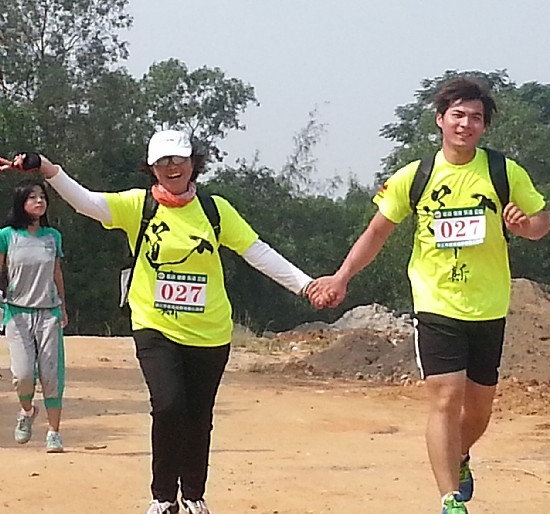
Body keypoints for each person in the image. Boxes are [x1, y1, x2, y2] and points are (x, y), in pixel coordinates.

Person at [1, 130, 319, 514]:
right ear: (151, 167)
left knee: (198, 415)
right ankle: (164, 497)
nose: (172, 167)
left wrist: (306, 285)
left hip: (210, 332)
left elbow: (257, 252)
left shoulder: (215, 210)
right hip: (155, 327)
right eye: (163, 161)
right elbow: (87, 202)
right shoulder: (139, 206)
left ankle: (194, 496)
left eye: (178, 159)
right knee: (168, 406)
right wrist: (48, 168)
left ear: (193, 163)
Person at [308, 78, 550, 514]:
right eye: (457, 115)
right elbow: (376, 232)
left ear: (484, 126)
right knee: (445, 398)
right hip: (435, 303)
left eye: (475, 117)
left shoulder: (504, 172)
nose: (466, 124)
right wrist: (342, 277)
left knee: (478, 412)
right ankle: (450, 500)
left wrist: (525, 226)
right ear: (440, 120)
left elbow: (541, 223)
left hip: (489, 305)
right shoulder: (414, 176)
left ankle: (460, 454)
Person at [0, 180, 68, 453]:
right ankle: (27, 411)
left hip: (48, 312)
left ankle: (54, 433)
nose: (39, 201)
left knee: (51, 374)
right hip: (16, 312)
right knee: (23, 374)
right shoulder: (6, 236)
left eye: (42, 197)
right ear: (21, 203)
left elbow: (57, 273)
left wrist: (63, 306)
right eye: (32, 197)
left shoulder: (53, 236)